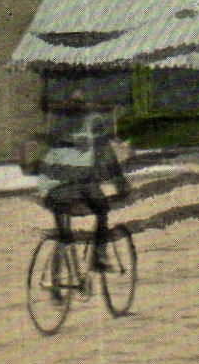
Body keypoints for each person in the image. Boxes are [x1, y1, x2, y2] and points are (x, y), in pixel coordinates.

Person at [36, 91, 131, 270]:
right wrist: (121, 186)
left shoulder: (57, 125)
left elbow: (45, 159)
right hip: (79, 184)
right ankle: (98, 258)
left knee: (64, 223)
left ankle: (61, 261)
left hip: (53, 186)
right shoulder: (92, 125)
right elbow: (108, 159)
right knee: (102, 210)